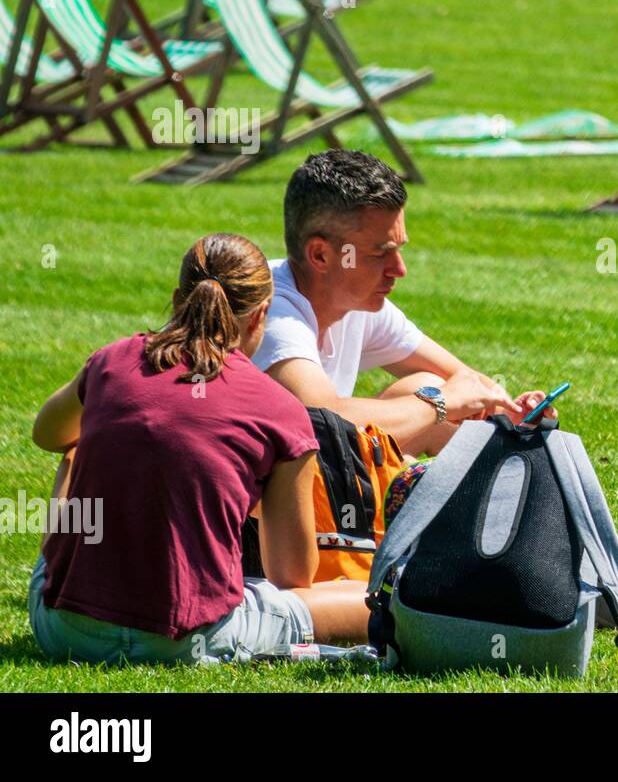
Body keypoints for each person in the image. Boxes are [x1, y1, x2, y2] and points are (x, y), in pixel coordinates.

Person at [252, 150, 618, 625]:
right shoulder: (276, 314)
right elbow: (317, 422)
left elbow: (464, 383)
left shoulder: (355, 300)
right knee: (430, 399)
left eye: (398, 249)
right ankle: (585, 573)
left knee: (427, 388)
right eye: (381, 253)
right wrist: (444, 404)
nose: (398, 270)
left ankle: (606, 550)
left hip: (329, 503)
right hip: (272, 537)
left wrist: (511, 415)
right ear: (320, 253)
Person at [28, 234, 369, 664]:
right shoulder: (280, 409)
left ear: (176, 300)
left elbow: (48, 433)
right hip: (191, 636)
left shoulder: (111, 362)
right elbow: (292, 576)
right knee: (355, 598)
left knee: (75, 449)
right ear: (260, 315)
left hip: (64, 628)